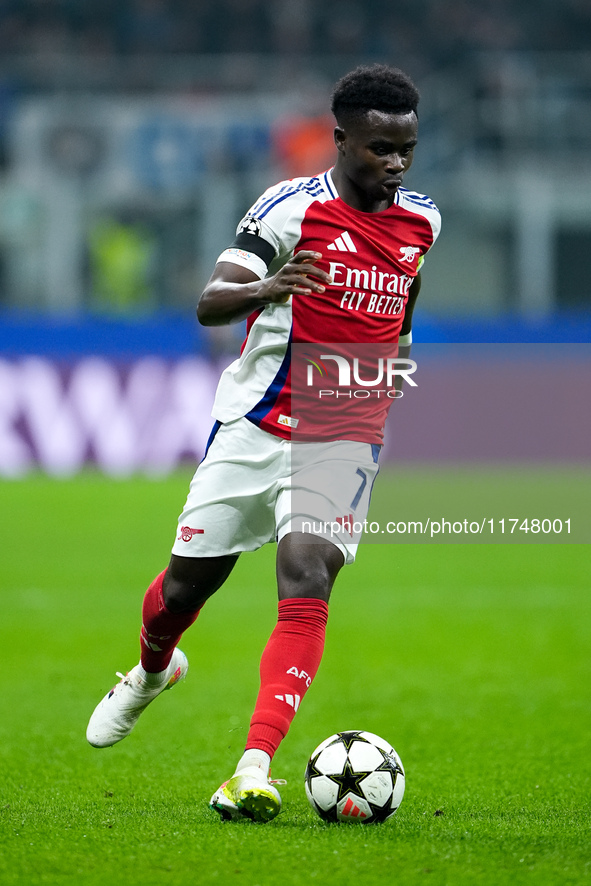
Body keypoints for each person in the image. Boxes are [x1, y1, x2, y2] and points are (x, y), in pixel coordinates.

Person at [86, 63, 441, 823]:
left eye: (407, 148)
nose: (397, 163)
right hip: (256, 426)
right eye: (381, 147)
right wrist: (266, 289)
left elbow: (406, 297)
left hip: (343, 435)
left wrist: (392, 366)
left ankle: (252, 768)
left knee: (305, 573)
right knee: (183, 592)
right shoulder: (289, 210)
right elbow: (210, 302)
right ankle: (151, 672)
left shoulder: (422, 221)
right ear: (341, 139)